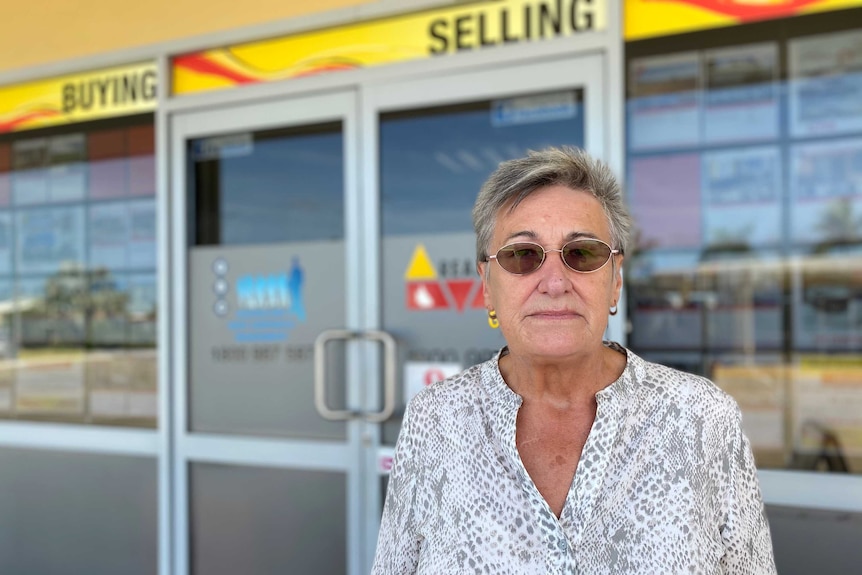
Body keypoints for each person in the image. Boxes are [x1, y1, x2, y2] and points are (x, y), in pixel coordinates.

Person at [371, 146, 776, 574]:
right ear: (486, 284)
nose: (555, 282)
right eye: (522, 255)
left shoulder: (701, 418)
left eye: (582, 253)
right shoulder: (436, 420)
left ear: (616, 279)